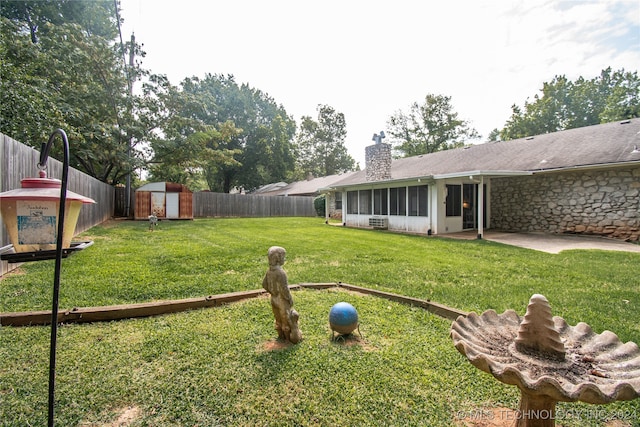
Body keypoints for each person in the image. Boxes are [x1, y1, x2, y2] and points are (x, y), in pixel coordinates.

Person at [262, 246, 302, 343]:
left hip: (273, 299)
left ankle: (280, 336)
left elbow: (264, 284)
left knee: (278, 319)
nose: (285, 259)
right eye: (283, 257)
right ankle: (287, 339)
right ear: (278, 258)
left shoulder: (269, 272)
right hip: (282, 300)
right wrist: (289, 299)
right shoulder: (281, 273)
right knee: (286, 320)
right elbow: (285, 289)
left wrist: (272, 292)